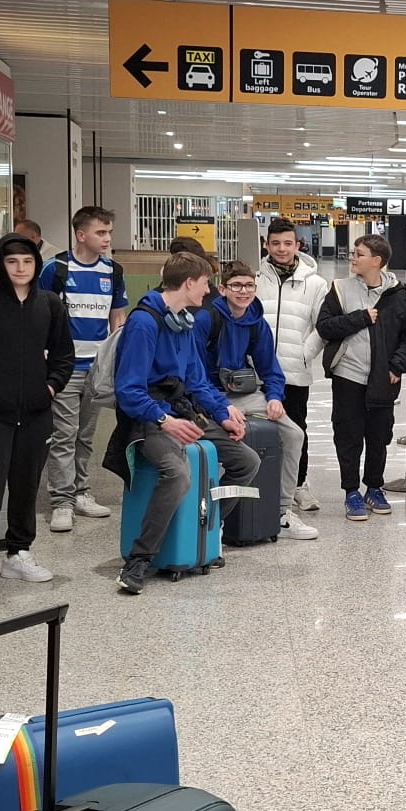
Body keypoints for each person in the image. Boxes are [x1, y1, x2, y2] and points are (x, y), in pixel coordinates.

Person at [113, 253, 263, 594]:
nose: (209, 290)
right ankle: (138, 559)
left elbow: (196, 380)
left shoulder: (184, 321)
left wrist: (223, 412)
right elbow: (129, 391)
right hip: (148, 418)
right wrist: (164, 420)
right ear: (189, 282)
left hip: (180, 411)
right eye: (206, 283)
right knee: (178, 473)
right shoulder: (144, 323)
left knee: (247, 461)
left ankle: (205, 531)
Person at [0, 233, 74, 592]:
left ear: (37, 265)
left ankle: (19, 553)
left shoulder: (49, 304)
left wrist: (49, 388)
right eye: (12, 261)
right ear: (1, 264)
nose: (20, 268)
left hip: (36, 412)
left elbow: (64, 355)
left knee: (26, 483)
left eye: (27, 261)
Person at [197, 262, 316, 540]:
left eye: (249, 285)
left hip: (246, 395)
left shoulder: (256, 322)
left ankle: (282, 512)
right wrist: (221, 407)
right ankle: (215, 519)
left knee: (294, 434)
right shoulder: (207, 320)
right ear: (223, 289)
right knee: (225, 445)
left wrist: (274, 397)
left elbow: (270, 368)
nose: (244, 291)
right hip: (211, 396)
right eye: (236, 285)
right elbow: (195, 375)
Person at [38, 206, 129, 532]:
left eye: (109, 232)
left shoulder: (113, 271)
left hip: (97, 369)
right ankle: (61, 501)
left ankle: (80, 491)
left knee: (86, 436)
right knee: (64, 434)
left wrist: (115, 358)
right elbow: (42, 313)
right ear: (81, 234)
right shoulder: (56, 268)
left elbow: (117, 316)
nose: (107, 239)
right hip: (66, 367)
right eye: (100, 232)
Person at [317, 234, 406, 521]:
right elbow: (325, 326)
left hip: (384, 378)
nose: (353, 258)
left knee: (379, 436)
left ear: (377, 261)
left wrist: (397, 367)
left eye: (359, 254)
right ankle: (351, 491)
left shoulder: (398, 295)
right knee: (348, 435)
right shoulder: (340, 289)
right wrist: (360, 317)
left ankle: (374, 487)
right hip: (348, 376)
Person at [256, 217, 331, 516]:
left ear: (298, 245)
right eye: (275, 243)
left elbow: (322, 326)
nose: (282, 249)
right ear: (266, 245)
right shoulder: (255, 279)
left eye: (288, 243)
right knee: (260, 426)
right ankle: (263, 481)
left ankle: (299, 484)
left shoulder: (315, 283)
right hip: (258, 371)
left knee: (297, 428)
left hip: (294, 370)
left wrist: (304, 354)